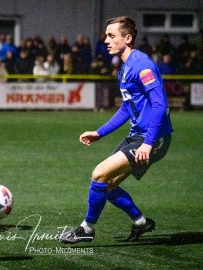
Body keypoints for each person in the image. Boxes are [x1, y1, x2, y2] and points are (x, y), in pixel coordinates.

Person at [59, 16, 173, 244]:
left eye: (112, 36)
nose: (107, 40)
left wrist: (148, 143)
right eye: (106, 36)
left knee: (99, 173)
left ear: (128, 38)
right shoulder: (124, 68)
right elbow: (126, 107)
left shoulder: (142, 66)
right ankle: (141, 222)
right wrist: (99, 132)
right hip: (138, 136)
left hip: (154, 138)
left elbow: (160, 105)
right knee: (107, 185)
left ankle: (87, 229)